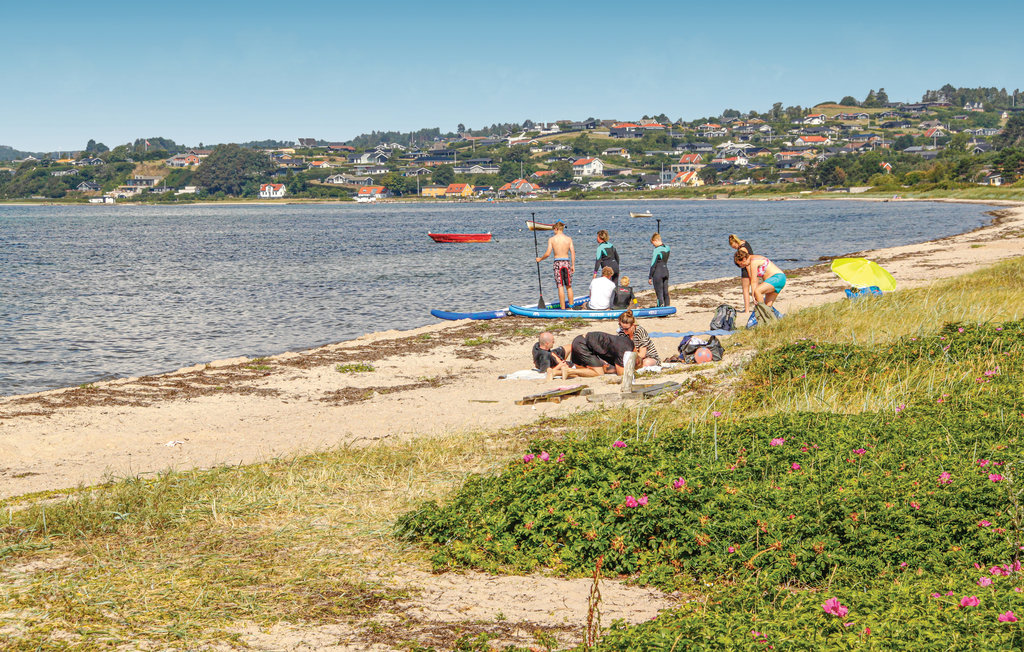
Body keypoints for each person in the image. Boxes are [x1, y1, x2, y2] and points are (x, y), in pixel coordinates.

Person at [549, 331, 635, 379]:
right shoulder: (622, 351)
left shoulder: (627, 344)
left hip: (580, 340)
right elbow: (621, 373)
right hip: (582, 345)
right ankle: (568, 371)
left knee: (583, 371)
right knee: (599, 373)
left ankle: (555, 372)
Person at [536, 221, 575, 309]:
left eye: (554, 230)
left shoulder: (552, 239)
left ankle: (563, 308)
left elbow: (548, 253)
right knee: (569, 286)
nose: (553, 231)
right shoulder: (569, 239)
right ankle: (571, 307)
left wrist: (540, 259)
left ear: (556, 229)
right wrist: (573, 265)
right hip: (567, 262)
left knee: (560, 286)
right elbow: (572, 252)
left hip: (558, 263)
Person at [729, 234, 755, 313]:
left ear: (736, 242)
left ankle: (747, 310)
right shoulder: (744, 242)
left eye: (733, 246)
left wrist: (750, 275)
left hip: (747, 269)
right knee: (753, 288)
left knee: (745, 290)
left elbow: (745, 262)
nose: (734, 248)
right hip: (752, 267)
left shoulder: (742, 249)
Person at [648, 233, 671, 307]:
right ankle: (667, 307)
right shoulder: (667, 248)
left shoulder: (656, 250)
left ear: (655, 241)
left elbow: (653, 264)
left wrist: (650, 277)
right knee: (666, 292)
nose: (653, 245)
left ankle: (660, 308)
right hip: (665, 272)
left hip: (658, 273)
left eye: (653, 243)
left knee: (659, 293)